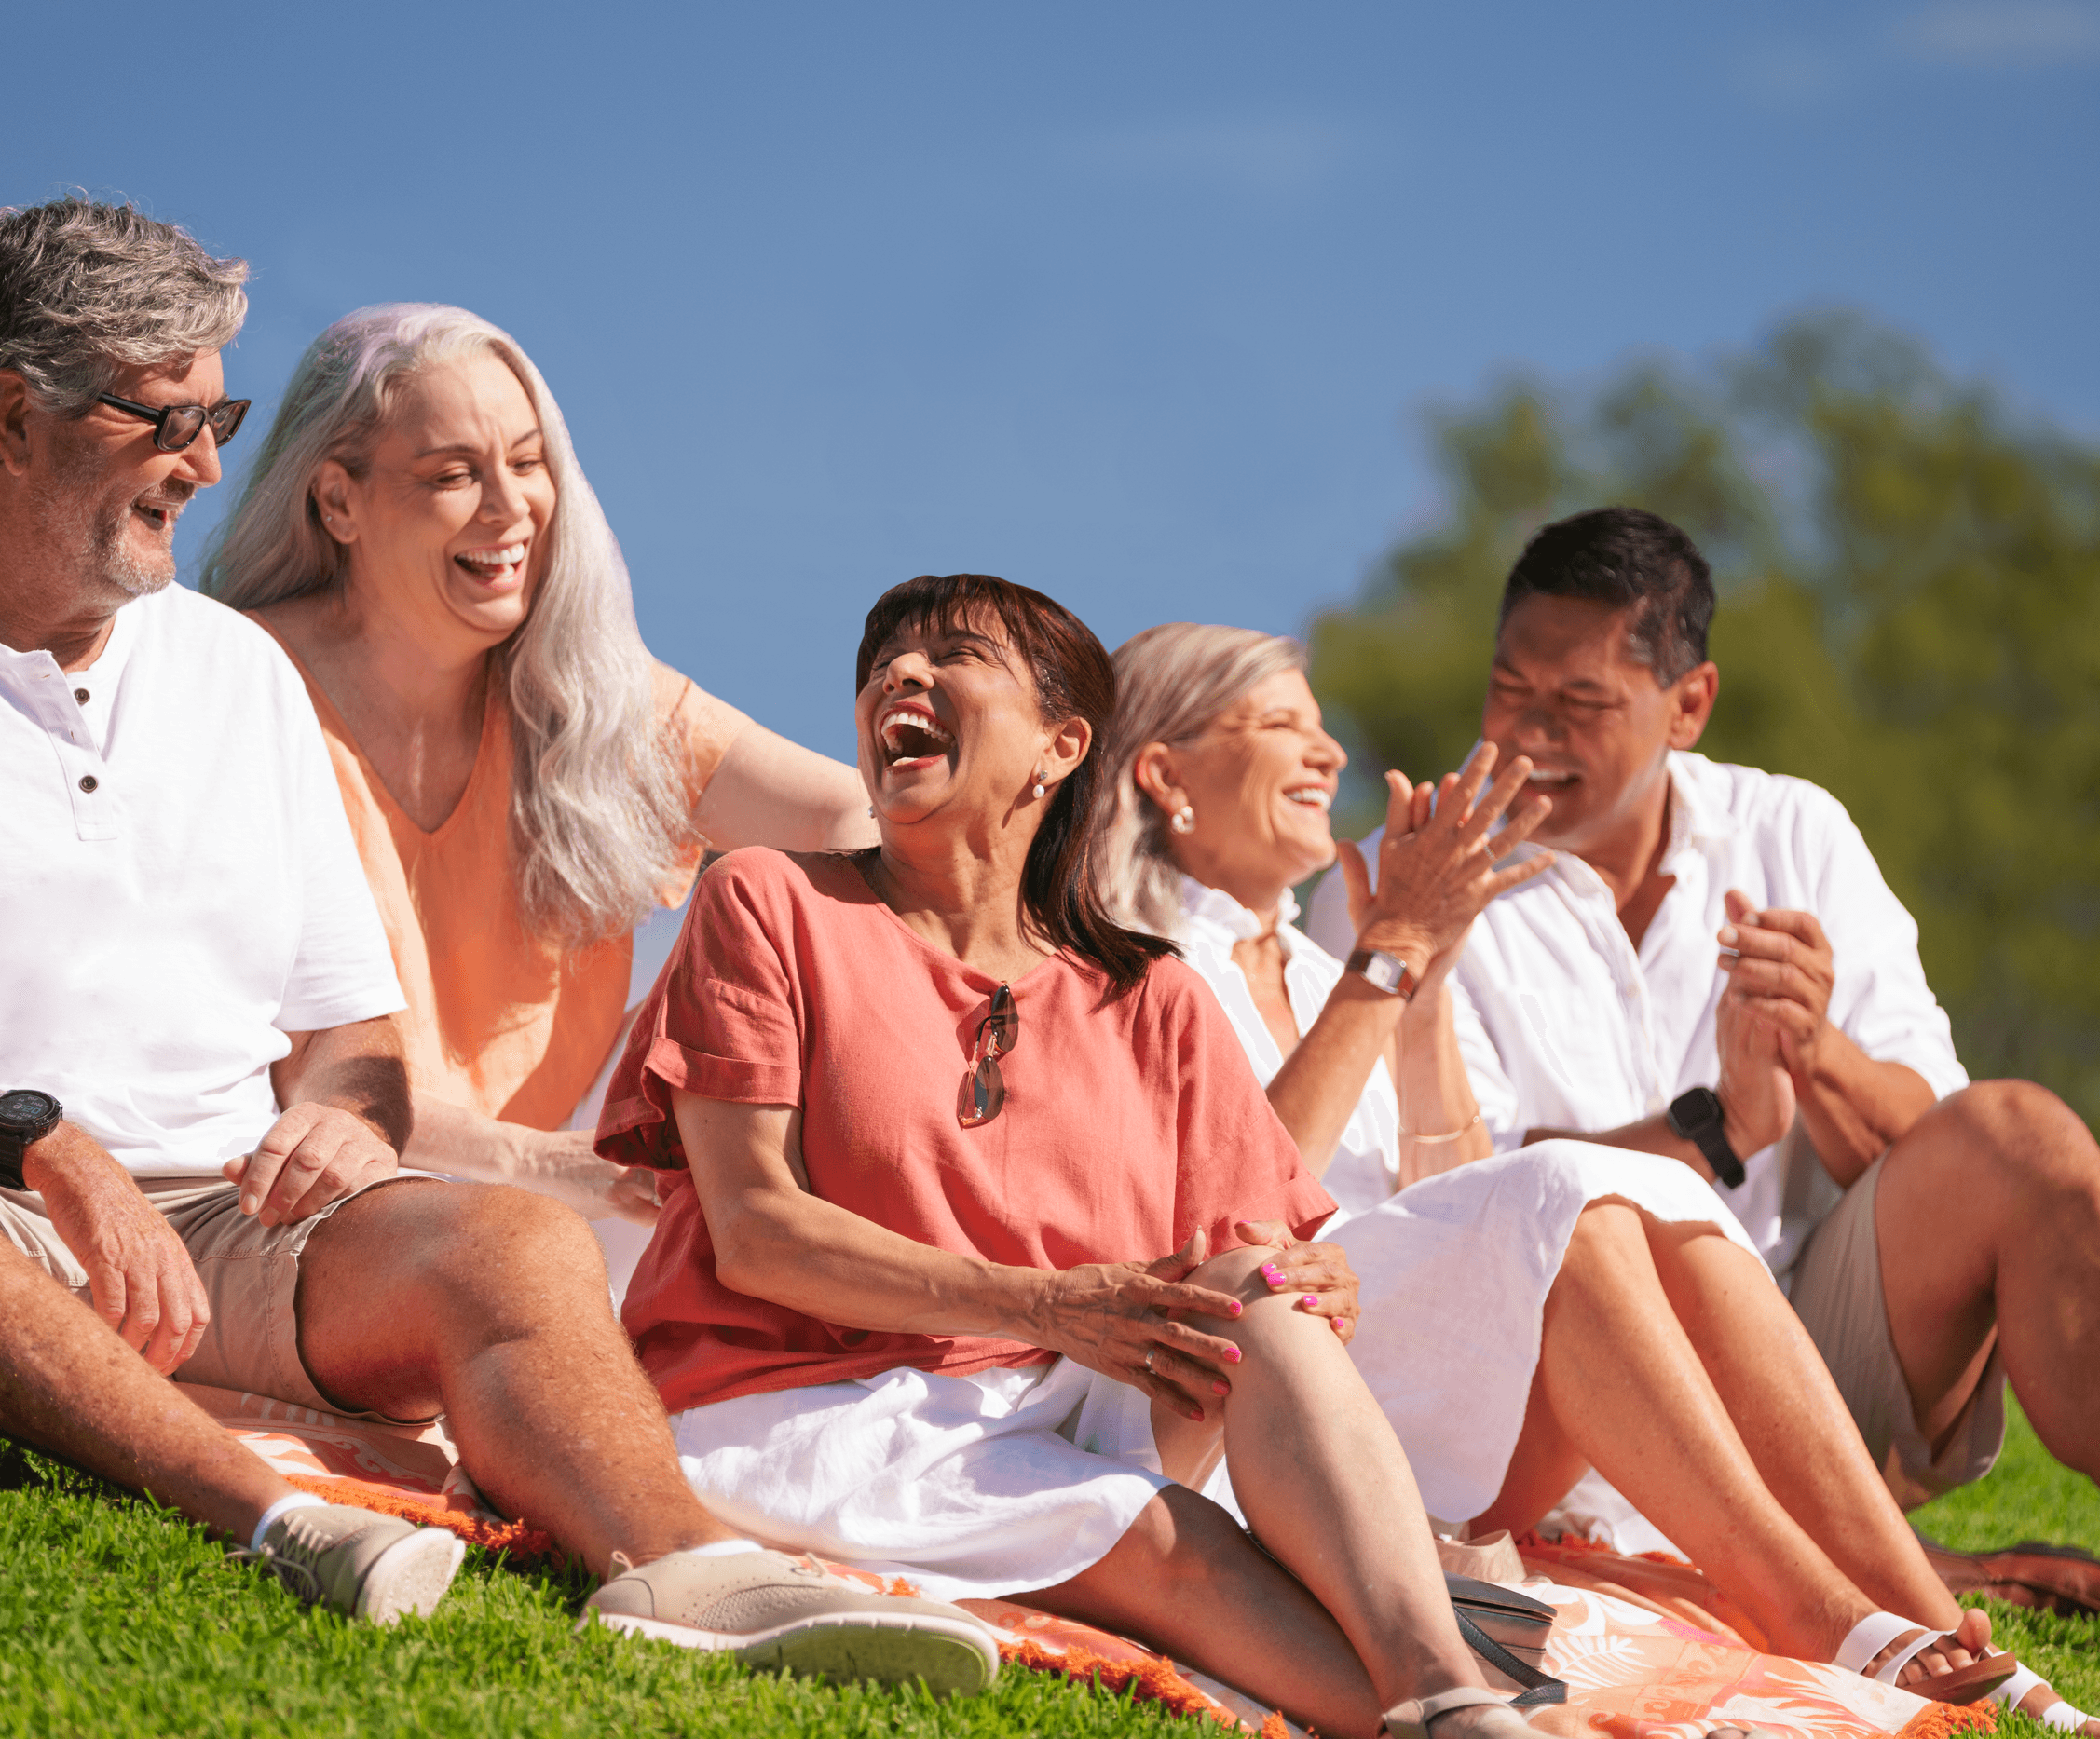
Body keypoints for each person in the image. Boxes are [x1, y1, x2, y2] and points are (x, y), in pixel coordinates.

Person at [0, 198, 994, 1691]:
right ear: (15, 417)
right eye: (167, 416)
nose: (209, 464)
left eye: (219, 412)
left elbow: (351, 1038)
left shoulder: (227, 670)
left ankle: (685, 1562)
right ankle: (265, 1511)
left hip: (225, 1218)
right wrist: (36, 1138)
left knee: (510, 1240)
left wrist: (345, 1133)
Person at [1306, 505, 2100, 1733]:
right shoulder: (1409, 882)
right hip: (1565, 1389)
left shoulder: (1790, 830)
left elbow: (1933, 1130)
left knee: (2023, 1133)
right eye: (1510, 689)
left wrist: (1816, 1055)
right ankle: (1897, 1589)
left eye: (1583, 701)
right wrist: (1715, 1128)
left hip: (1802, 1351)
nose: (1531, 733)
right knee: (1583, 1239)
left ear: (1689, 701)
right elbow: (1450, 1213)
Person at [1098, 622, 2100, 1735]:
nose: (1330, 754)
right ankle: (1821, 1613)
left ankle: (1920, 1619)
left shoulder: (1314, 962)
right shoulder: (1125, 958)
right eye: (1283, 725)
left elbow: (1448, 1183)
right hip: (1279, 1410)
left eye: (1321, 721)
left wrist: (1423, 981)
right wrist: (1389, 955)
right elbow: (1229, 1211)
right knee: (1568, 1188)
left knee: (1633, 1201)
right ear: (1163, 770)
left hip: (1407, 1375)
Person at [600, 572, 1552, 1739]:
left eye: (953, 655)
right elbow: (753, 1230)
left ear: (1060, 746)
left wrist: (1316, 1285)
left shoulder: (1154, 994)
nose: (900, 675)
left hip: (1054, 1392)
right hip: (804, 1406)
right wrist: (1047, 1303)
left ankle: (1439, 1679)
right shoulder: (767, 900)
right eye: (882, 665)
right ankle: (1454, 1695)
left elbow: (1247, 1261)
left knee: (1254, 1294)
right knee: (1173, 1544)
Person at [203, 304, 874, 1239]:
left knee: (778, 897)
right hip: (323, 1179)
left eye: (526, 463)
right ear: (337, 501)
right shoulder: (229, 685)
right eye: (452, 475)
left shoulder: (587, 688)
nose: (510, 507)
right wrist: (544, 1164)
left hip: (583, 1166)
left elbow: (859, 823)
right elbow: (280, 1065)